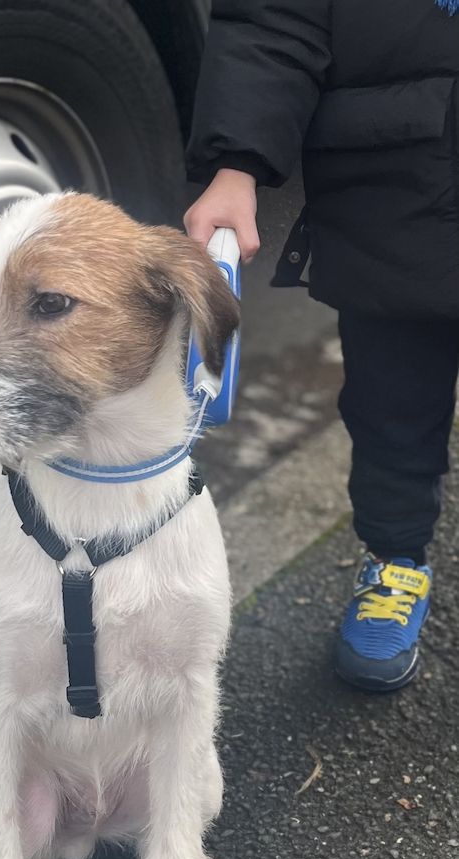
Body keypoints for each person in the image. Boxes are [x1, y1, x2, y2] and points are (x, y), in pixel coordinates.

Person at [184, 0, 459, 692]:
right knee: (390, 406)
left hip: (392, 167)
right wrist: (236, 164)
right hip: (396, 192)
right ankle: (395, 560)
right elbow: (274, 21)